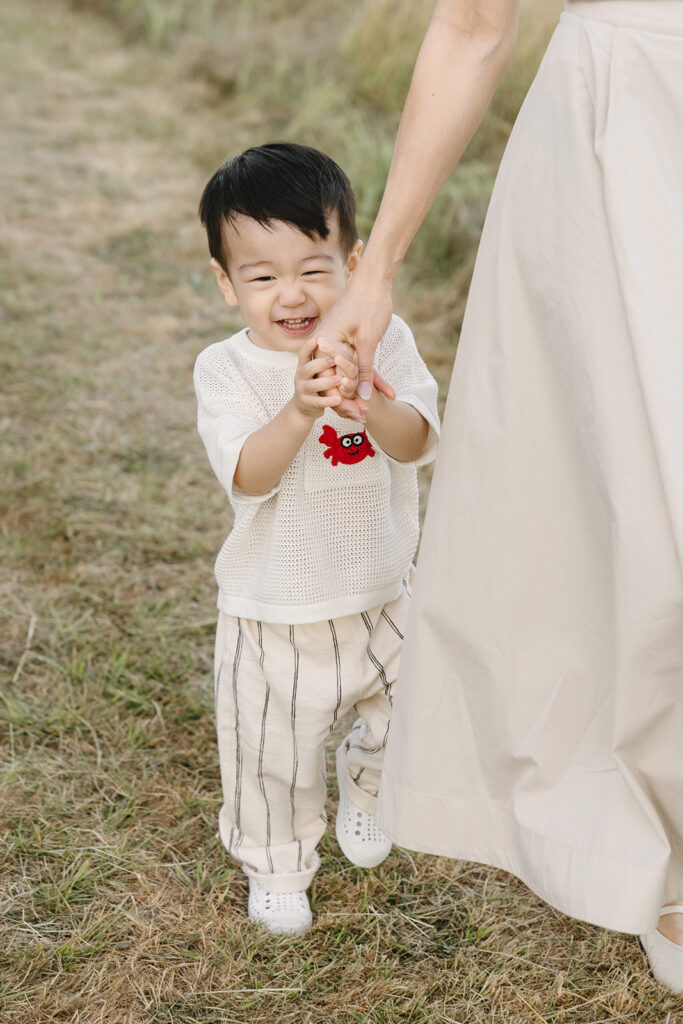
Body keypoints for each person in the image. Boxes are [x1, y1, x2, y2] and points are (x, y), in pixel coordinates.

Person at [316, 0, 683, 994]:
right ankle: (658, 861)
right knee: (647, 522)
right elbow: (474, 21)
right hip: (622, 142)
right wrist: (375, 265)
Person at [193, 143, 440, 935]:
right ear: (227, 283)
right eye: (262, 277)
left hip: (382, 592)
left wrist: (373, 400)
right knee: (269, 759)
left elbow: (417, 441)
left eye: (313, 266)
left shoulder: (384, 337)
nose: (291, 294)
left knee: (412, 715)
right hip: (274, 610)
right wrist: (299, 410)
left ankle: (368, 789)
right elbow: (250, 475)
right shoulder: (224, 370)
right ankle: (277, 866)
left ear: (355, 261)